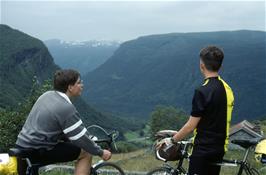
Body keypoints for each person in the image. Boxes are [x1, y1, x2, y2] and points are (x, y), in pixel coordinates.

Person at [15, 69, 111, 175]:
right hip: (39, 150)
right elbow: (81, 138)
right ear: (70, 87)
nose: (82, 85)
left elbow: (53, 127)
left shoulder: (46, 95)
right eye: (79, 82)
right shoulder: (66, 108)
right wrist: (101, 152)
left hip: (22, 145)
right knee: (86, 152)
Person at [157, 46, 234, 175]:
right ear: (220, 65)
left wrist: (171, 140)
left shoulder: (202, 91)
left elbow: (190, 126)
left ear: (201, 65)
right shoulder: (227, 89)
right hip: (220, 148)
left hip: (202, 150)